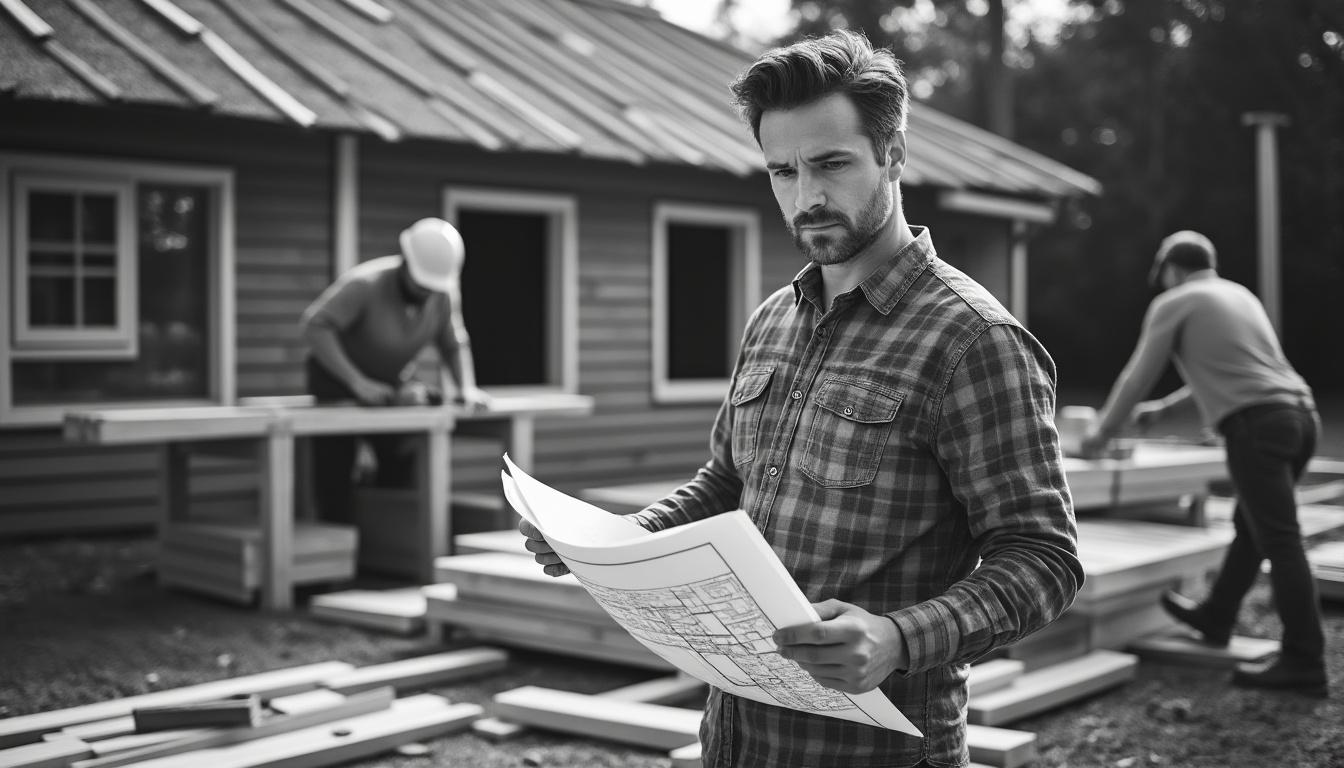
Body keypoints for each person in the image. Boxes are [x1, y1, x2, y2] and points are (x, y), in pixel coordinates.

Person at [521, 30, 1083, 767]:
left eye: (830, 164)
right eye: (782, 171)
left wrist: (898, 638)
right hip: (736, 737)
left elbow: (1044, 559)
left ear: (893, 153)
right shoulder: (772, 320)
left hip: (877, 751)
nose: (806, 196)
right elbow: (727, 485)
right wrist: (620, 542)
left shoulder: (972, 340)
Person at [1081, 230, 1328, 697]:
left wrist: (1099, 435)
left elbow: (1138, 375)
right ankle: (1218, 614)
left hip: (1258, 427)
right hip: (1300, 417)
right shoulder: (1238, 296)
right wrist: (1165, 412)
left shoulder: (1176, 301)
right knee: (1252, 525)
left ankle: (1304, 659)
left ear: (1171, 270)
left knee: (1281, 538)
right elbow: (1234, 373)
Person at [301, 217, 489, 524]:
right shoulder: (365, 284)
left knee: (401, 455)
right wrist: (357, 383)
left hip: (388, 382)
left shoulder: (442, 293)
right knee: (335, 466)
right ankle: (339, 545)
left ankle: (391, 547)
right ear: (405, 262)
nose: (426, 293)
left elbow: (453, 343)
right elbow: (315, 326)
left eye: (432, 288)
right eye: (421, 286)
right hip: (337, 380)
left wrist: (466, 387)